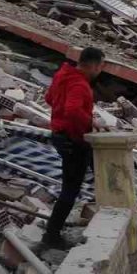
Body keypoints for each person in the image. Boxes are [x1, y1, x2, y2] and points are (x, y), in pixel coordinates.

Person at [42, 47, 104, 249]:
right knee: (70, 190)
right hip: (72, 140)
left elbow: (49, 98)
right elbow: (72, 111)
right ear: (93, 65)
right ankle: (51, 235)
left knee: (97, 170)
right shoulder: (79, 84)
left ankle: (103, 211)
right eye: (100, 66)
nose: (100, 71)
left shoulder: (64, 75)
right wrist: (89, 124)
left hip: (62, 136)